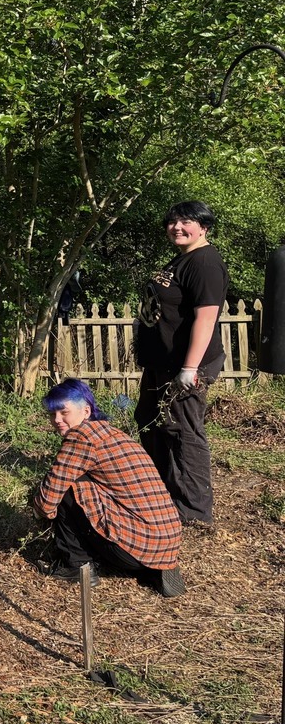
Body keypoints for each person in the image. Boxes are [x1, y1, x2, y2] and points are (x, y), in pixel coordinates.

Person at [33, 379, 185, 597]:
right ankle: (152, 566)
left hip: (133, 548)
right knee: (87, 484)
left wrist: (40, 515)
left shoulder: (81, 437)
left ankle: (77, 565)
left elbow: (48, 497)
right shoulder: (114, 434)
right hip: (167, 541)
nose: (56, 420)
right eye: (52, 414)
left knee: (68, 487)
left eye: (63, 412)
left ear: (86, 411)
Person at [133, 201, 228, 525]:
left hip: (187, 366)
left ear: (204, 227)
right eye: (172, 221)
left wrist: (190, 369)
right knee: (149, 419)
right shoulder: (182, 259)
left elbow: (206, 317)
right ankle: (161, 491)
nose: (177, 226)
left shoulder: (204, 262)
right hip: (163, 362)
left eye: (186, 221)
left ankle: (193, 510)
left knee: (183, 430)